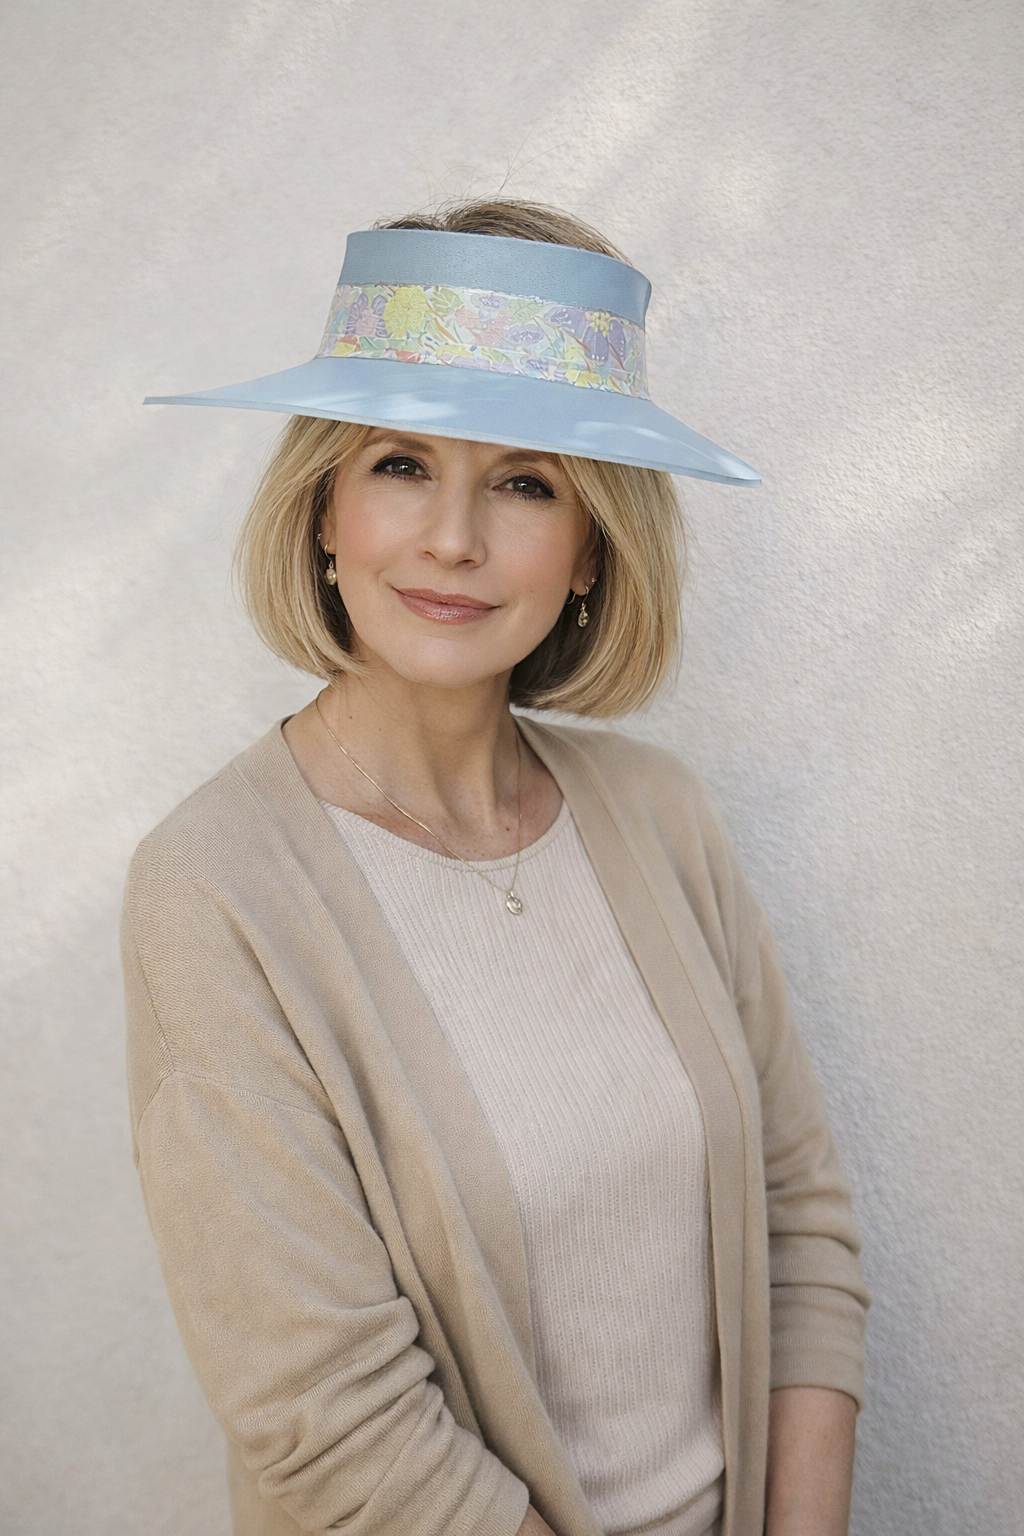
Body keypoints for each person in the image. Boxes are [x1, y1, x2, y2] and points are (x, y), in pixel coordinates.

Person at [124, 199, 868, 1536]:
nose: (453, 539)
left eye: (526, 481)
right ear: (324, 513)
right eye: (401, 463)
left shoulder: (663, 814)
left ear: (591, 550)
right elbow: (333, 1422)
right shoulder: (212, 886)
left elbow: (799, 1230)